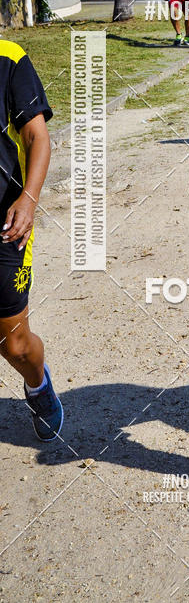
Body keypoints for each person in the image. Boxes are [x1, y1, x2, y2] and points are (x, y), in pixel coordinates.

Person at [0, 40, 63, 441]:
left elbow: (37, 136)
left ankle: (37, 384)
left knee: (15, 345)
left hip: (4, 223)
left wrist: (29, 199)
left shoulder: (8, 57)